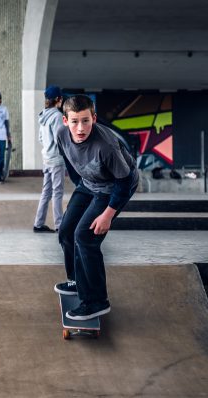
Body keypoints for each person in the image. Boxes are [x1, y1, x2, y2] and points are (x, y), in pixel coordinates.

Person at [54, 95, 138, 321]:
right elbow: (71, 163)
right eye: (74, 122)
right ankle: (77, 281)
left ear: (94, 118)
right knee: (66, 231)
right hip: (88, 184)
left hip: (113, 187)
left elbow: (125, 181)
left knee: (85, 237)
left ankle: (96, 301)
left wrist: (108, 214)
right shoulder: (61, 135)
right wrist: (82, 185)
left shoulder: (106, 145)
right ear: (65, 121)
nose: (80, 128)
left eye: (85, 121)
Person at [33, 85, 66, 233]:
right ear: (58, 99)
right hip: (56, 160)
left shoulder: (43, 115)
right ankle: (59, 225)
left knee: (46, 192)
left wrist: (48, 147)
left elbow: (41, 138)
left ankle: (38, 224)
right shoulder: (57, 116)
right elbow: (61, 139)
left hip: (46, 158)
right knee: (57, 192)